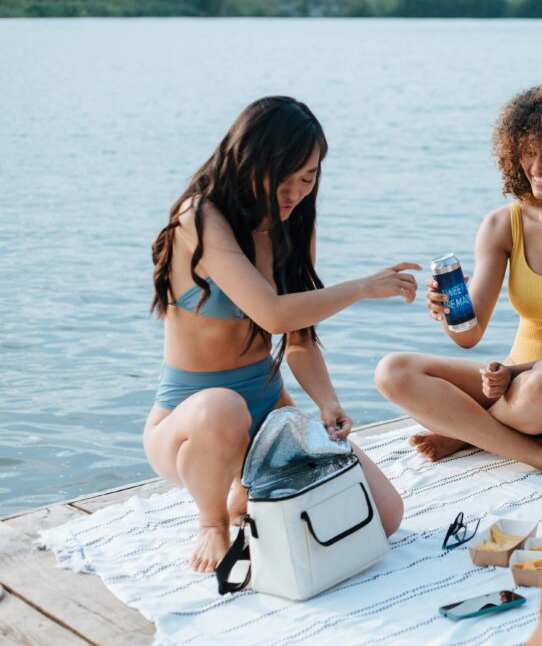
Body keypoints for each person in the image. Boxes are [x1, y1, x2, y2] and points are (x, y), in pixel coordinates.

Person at [146, 96, 418, 573]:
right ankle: (214, 521)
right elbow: (271, 313)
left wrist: (327, 402)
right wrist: (363, 288)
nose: (295, 192)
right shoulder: (201, 217)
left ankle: (245, 495)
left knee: (386, 515)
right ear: (251, 161)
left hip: (269, 414)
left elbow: (296, 337)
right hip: (193, 425)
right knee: (223, 407)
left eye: (308, 178)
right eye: (285, 177)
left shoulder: (294, 224)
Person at [375, 80, 542, 484]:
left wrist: (516, 375)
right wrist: (449, 315)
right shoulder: (502, 224)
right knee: (393, 371)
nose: (537, 166)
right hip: (515, 387)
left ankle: (470, 432)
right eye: (528, 152)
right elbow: (470, 336)